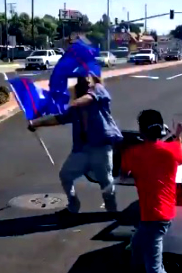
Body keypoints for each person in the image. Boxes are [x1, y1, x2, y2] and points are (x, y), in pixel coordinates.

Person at [110, 109, 182, 273]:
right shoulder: (172, 151)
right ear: (161, 129)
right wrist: (177, 135)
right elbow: (179, 155)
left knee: (155, 269)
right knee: (137, 245)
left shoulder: (133, 153)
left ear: (141, 130)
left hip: (153, 217)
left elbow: (123, 174)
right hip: (163, 214)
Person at [28, 73, 122, 214]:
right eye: (81, 78)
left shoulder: (99, 90)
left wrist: (69, 103)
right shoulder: (76, 107)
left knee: (106, 182)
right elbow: (59, 119)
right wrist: (36, 123)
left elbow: (88, 98)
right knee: (65, 175)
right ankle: (73, 206)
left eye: (86, 77)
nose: (84, 81)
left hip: (101, 147)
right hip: (82, 149)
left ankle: (112, 212)